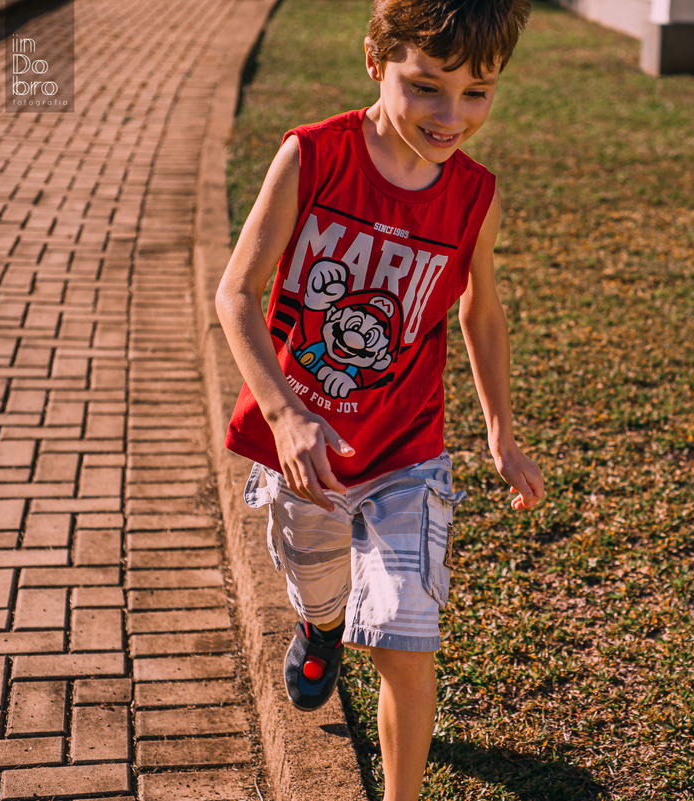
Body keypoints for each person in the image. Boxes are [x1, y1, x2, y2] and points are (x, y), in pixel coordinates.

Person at [215, 0, 543, 798]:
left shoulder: (475, 196)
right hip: (312, 454)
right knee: (318, 585)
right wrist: (288, 414)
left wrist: (501, 432)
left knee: (407, 638)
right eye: (428, 87)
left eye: (478, 92)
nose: (452, 115)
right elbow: (236, 294)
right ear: (376, 59)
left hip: (408, 452)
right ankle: (320, 626)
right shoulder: (314, 156)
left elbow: (481, 309)